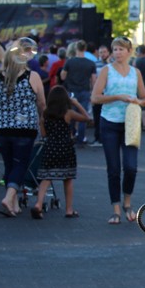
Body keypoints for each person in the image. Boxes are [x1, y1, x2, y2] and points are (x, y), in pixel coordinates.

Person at [91, 36, 145, 225]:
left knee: (131, 167)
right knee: (114, 169)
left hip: (130, 124)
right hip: (109, 123)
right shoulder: (106, 71)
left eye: (121, 49)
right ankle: (116, 208)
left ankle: (127, 202)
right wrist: (117, 96)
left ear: (129, 52)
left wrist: (136, 101)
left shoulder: (136, 72)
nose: (117, 53)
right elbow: (95, 98)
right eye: (115, 49)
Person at [0, 37, 46, 217]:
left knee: (9, 164)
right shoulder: (32, 77)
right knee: (21, 164)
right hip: (24, 128)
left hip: (1, 127)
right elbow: (42, 103)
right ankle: (9, 197)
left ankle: (14, 205)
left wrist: (6, 113)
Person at [31, 86, 91, 219]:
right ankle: (69, 209)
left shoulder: (45, 114)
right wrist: (76, 103)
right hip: (65, 147)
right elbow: (86, 117)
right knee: (68, 178)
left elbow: (43, 133)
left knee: (46, 178)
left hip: (50, 147)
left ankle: (38, 204)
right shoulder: (68, 113)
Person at [61, 40, 97, 145]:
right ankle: (81, 137)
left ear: (76, 48)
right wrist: (92, 92)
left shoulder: (69, 62)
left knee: (71, 113)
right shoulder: (90, 63)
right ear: (85, 49)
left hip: (72, 91)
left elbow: (63, 77)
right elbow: (94, 80)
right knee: (83, 113)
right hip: (85, 91)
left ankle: (71, 134)